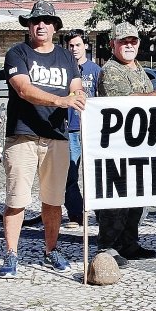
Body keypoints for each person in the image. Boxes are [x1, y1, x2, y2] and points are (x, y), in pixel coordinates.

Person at [0, 1, 85, 279]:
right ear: (29, 26)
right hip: (22, 135)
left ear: (55, 27)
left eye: (47, 21)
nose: (41, 25)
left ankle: (51, 250)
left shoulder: (66, 56)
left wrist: (79, 97)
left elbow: (76, 87)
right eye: (35, 21)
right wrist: (61, 100)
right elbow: (23, 89)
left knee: (53, 200)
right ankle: (11, 253)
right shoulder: (17, 53)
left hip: (57, 136)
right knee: (17, 199)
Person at [95, 22, 156, 268]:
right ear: (113, 44)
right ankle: (108, 247)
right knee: (115, 201)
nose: (129, 45)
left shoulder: (139, 69)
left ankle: (129, 242)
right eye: (123, 41)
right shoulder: (111, 70)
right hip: (117, 148)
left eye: (133, 41)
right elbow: (125, 101)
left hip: (140, 147)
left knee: (136, 197)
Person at [62, 29, 102, 228]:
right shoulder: (63, 69)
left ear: (85, 45)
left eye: (78, 45)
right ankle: (75, 214)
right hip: (69, 129)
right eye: (70, 46)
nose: (74, 49)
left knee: (96, 174)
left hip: (91, 130)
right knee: (70, 174)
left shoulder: (96, 70)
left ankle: (102, 214)